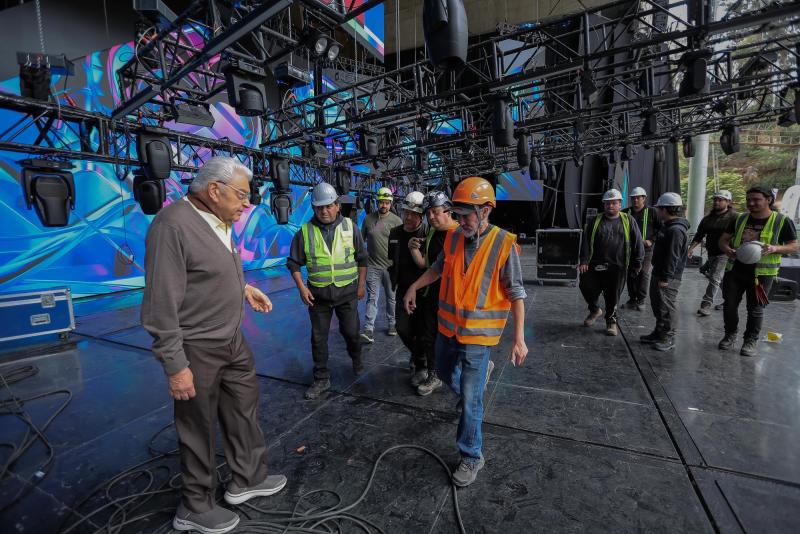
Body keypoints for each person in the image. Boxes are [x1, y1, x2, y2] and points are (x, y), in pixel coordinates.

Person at [141, 156, 286, 534]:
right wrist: (175, 365)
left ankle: (247, 479)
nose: (246, 204)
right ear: (214, 190)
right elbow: (161, 303)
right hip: (197, 347)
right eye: (241, 195)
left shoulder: (221, 219)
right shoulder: (172, 226)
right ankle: (194, 506)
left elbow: (208, 272)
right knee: (197, 427)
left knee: (243, 411)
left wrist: (243, 288)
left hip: (231, 339)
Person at [403, 177, 528, 487]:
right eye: (457, 213)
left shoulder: (503, 243)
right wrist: (414, 287)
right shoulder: (455, 237)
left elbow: (516, 293)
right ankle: (477, 384)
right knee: (445, 374)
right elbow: (438, 268)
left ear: (486, 210)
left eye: (466, 214)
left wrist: (519, 338)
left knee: (471, 399)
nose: (461, 220)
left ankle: (471, 455)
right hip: (449, 329)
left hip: (478, 337)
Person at [287, 183, 368, 399]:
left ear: (337, 206)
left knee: (351, 332)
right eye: (319, 207)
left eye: (328, 206)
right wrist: (301, 288)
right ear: (314, 208)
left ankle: (356, 357)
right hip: (318, 297)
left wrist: (361, 286)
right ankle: (321, 378)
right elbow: (293, 262)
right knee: (318, 338)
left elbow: (362, 258)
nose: (324, 211)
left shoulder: (351, 227)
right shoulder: (305, 231)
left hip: (347, 293)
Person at [718, 186, 797, 357]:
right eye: (748, 200)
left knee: (755, 308)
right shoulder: (739, 219)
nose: (751, 203)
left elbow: (794, 244)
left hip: (762, 274)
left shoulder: (781, 220)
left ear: (768, 200)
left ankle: (750, 340)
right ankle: (730, 334)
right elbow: (723, 240)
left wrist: (775, 248)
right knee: (729, 305)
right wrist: (727, 249)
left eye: (756, 199)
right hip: (736, 270)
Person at [410, 190, 459, 396]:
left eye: (435, 212)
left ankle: (466, 372)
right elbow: (427, 266)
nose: (431, 217)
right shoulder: (431, 232)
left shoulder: (459, 233)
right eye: (428, 213)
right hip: (432, 295)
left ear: (448, 210)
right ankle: (434, 375)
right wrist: (413, 249)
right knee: (428, 337)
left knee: (454, 341)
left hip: (454, 298)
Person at [579, 189, 645, 336]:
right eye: (607, 203)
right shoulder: (595, 220)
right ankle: (595, 310)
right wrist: (584, 260)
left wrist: (638, 262)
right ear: (604, 204)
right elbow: (585, 242)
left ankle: (611, 321)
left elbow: (638, 243)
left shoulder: (628, 220)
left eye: (614, 203)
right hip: (594, 264)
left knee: (612, 295)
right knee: (586, 286)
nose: (610, 206)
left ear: (620, 204)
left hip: (618, 266)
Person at [387, 191, 428, 389]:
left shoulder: (428, 233)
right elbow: (393, 259)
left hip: (424, 292)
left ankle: (422, 366)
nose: (409, 217)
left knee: (422, 331)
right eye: (406, 212)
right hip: (402, 289)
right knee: (402, 328)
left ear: (422, 215)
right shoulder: (395, 233)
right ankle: (420, 355)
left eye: (414, 213)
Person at [639, 193, 689, 352]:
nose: (657, 212)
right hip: (659, 272)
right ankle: (659, 332)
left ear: (665, 209)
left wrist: (666, 277)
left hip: (668, 276)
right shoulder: (667, 226)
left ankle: (669, 337)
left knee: (666, 305)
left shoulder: (676, 230)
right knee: (657, 303)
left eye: (659, 209)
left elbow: (673, 257)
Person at [360, 187, 402, 343]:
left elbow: (402, 244)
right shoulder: (368, 219)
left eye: (386, 202)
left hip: (391, 267)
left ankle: (392, 324)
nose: (383, 205)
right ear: (377, 202)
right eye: (381, 202)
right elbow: (360, 240)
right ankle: (368, 329)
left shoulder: (397, 221)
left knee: (392, 299)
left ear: (391, 203)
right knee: (372, 298)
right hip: (373, 266)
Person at [687, 190, 738, 316]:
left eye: (720, 199)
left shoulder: (735, 217)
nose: (717, 202)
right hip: (712, 253)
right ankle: (729, 300)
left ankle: (706, 305)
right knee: (718, 278)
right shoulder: (708, 219)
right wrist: (690, 248)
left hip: (726, 253)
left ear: (728, 202)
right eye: (715, 199)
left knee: (715, 277)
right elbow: (699, 235)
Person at [622, 187, 660, 310]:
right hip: (629, 250)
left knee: (643, 273)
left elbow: (661, 228)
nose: (635, 200)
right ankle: (632, 299)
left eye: (638, 198)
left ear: (644, 198)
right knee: (630, 273)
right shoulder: (625, 212)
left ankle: (641, 299)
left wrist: (652, 240)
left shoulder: (652, 212)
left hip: (646, 250)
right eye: (633, 198)